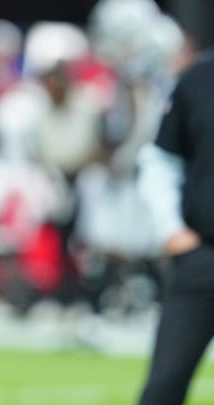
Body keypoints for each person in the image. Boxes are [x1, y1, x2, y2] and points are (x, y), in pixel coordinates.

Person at [137, 49, 214, 405]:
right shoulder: (200, 77)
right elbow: (161, 159)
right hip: (201, 259)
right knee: (163, 387)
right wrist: (171, 230)